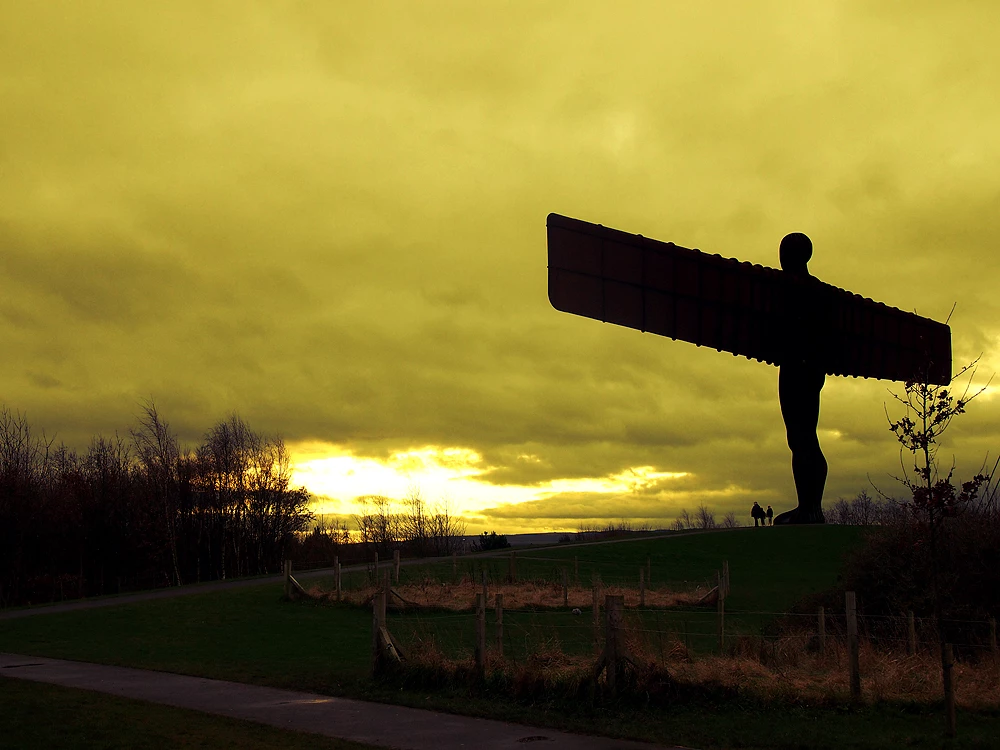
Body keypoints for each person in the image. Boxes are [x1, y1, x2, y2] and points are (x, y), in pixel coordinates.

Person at [773, 232, 827, 525]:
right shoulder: (819, 290)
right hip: (809, 368)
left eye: (784, 252)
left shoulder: (790, 288)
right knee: (804, 437)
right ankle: (809, 506)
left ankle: (810, 509)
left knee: (802, 437)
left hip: (798, 368)